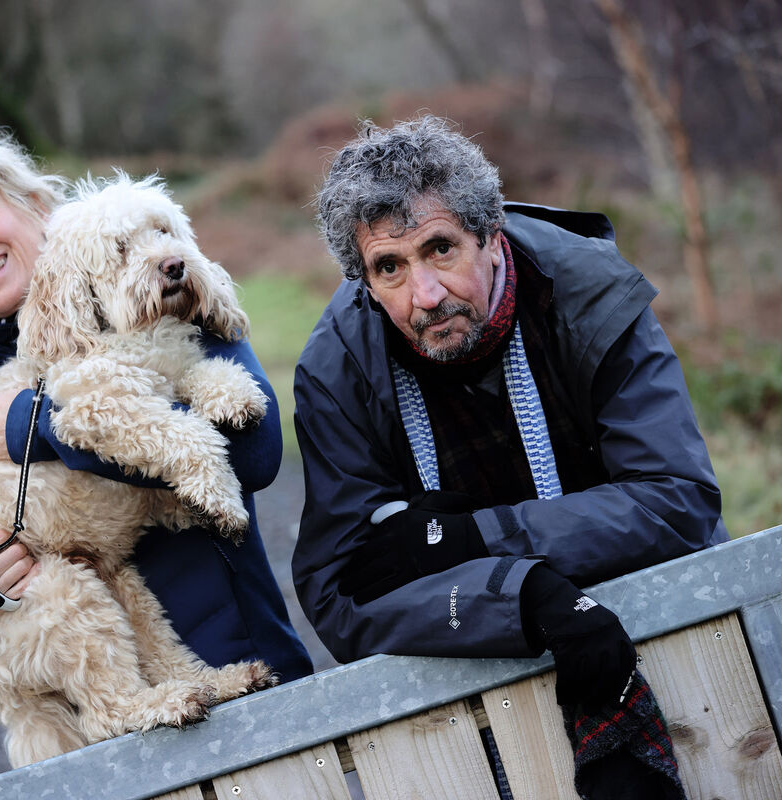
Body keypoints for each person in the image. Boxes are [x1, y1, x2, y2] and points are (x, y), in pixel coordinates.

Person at [292, 116, 725, 797]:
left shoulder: (589, 294)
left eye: (440, 249)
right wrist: (524, 594)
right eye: (389, 268)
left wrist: (472, 538)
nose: (424, 296)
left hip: (675, 653)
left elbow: (679, 501)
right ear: (364, 284)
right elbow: (338, 595)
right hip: (483, 685)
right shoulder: (337, 369)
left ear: (491, 236)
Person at [0, 124, 313, 704]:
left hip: (249, 675)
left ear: (34, 205)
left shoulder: (165, 300)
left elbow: (254, 457)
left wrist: (37, 429)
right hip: (109, 737)